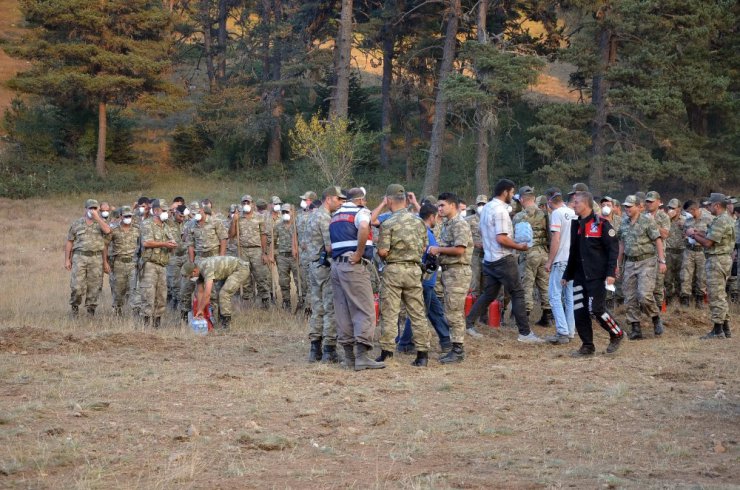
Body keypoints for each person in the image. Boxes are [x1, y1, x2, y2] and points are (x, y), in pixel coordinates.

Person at [465, 179, 546, 348]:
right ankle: (525, 333)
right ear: (505, 192)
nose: (513, 196)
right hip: (503, 258)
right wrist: (519, 246)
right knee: (518, 293)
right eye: (512, 192)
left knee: (488, 294)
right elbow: (501, 238)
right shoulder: (500, 211)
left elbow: (483, 231)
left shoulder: (486, 208)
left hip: (489, 258)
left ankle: (468, 324)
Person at [328, 187, 386, 371]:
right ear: (360, 200)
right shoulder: (361, 212)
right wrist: (360, 253)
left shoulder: (336, 215)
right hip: (353, 266)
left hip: (336, 266)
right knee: (365, 309)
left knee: (342, 310)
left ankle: (348, 357)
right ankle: (362, 356)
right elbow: (363, 226)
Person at [375, 184, 431, 367]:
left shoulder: (388, 223)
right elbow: (424, 247)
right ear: (406, 200)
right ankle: (422, 354)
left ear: (389, 200)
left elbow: (382, 251)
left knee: (391, 312)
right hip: (414, 270)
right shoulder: (419, 221)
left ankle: (387, 353)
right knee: (417, 312)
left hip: (394, 271)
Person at [563, 192, 624, 356]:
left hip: (598, 276)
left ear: (585, 204)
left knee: (596, 309)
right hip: (579, 276)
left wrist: (611, 272)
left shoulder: (602, 224)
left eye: (576, 203)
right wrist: (567, 274)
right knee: (579, 311)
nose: (573, 205)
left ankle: (616, 332)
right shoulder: (576, 224)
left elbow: (613, 249)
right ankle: (587, 346)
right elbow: (573, 252)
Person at [428, 192, 474, 363]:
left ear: (452, 206)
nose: (439, 209)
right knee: (450, 310)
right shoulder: (448, 224)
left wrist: (438, 250)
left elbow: (459, 249)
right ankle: (455, 347)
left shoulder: (459, 224)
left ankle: (457, 349)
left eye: (442, 205)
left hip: (458, 271)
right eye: (438, 206)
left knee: (454, 311)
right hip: (449, 271)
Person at [617, 195, 666, 340]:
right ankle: (635, 328)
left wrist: (662, 261)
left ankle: (655, 317)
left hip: (647, 261)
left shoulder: (647, 221)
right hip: (630, 263)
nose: (627, 209)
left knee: (644, 295)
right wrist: (618, 264)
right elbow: (621, 244)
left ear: (639, 207)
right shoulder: (624, 223)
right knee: (630, 296)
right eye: (625, 206)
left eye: (630, 206)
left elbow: (657, 240)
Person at [686, 193, 735, 339]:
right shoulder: (723, 219)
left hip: (717, 260)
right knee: (720, 294)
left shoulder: (721, 220)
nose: (708, 208)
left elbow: (708, 243)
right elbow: (710, 235)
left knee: (716, 296)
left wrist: (693, 235)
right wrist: (697, 232)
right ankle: (725, 329)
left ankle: (717, 330)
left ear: (717, 205)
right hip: (721, 259)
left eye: (710, 205)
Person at [306, 186, 345, 363]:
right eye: (338, 199)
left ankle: (315, 348)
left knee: (317, 307)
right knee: (330, 308)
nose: (340, 202)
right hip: (325, 266)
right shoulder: (324, 218)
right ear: (329, 198)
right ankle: (329, 349)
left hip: (313, 265)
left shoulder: (312, 215)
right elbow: (329, 246)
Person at [512, 186, 552, 326]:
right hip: (544, 252)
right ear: (534, 198)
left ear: (522, 200)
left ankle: (525, 316)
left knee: (527, 284)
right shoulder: (545, 214)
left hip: (528, 253)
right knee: (544, 284)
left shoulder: (519, 216)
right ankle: (547, 316)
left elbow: (515, 236)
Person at [65, 199, 112, 317]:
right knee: (77, 287)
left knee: (94, 286)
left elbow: (107, 230)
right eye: (90, 208)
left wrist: (98, 218)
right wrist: (67, 259)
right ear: (85, 209)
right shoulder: (77, 223)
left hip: (96, 258)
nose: (93, 211)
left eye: (95, 209)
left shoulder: (101, 223)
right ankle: (74, 307)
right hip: (79, 257)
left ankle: (91, 311)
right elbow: (70, 242)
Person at [183, 256, 251, 329]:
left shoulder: (206, 268)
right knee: (219, 294)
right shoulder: (198, 272)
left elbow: (207, 294)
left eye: (190, 277)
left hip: (240, 269)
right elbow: (200, 292)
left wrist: (201, 310)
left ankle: (226, 325)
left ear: (194, 271)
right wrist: (200, 311)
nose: (191, 279)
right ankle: (221, 321)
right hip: (228, 272)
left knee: (224, 294)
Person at [544, 187, 576, 343]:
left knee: (554, 296)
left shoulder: (556, 214)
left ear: (549, 201)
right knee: (569, 297)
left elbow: (556, 239)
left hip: (561, 260)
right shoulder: (572, 212)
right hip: (573, 260)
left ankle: (562, 332)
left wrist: (550, 260)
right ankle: (570, 331)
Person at [139, 200, 177, 328]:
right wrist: (164, 244)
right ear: (156, 211)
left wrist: (172, 245)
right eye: (164, 210)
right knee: (148, 295)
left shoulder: (166, 226)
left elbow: (171, 244)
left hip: (163, 265)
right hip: (150, 264)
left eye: (167, 210)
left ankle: (156, 325)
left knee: (161, 296)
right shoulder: (147, 224)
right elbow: (146, 243)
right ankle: (145, 325)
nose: (166, 213)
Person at [229, 194, 271, 308]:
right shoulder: (238, 218)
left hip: (257, 250)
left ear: (252, 204)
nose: (246, 205)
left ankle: (265, 301)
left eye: (248, 202)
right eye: (244, 203)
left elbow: (263, 235)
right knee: (245, 278)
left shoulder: (259, 217)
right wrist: (234, 221)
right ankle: (248, 303)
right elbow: (231, 235)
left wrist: (264, 253)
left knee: (261, 276)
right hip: (242, 250)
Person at [105, 206, 140, 316]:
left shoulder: (137, 229)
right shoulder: (114, 230)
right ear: (120, 216)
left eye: (130, 216)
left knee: (135, 291)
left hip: (133, 264)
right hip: (118, 264)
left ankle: (136, 313)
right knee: (118, 291)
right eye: (126, 216)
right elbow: (105, 245)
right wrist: (105, 262)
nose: (128, 218)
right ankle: (117, 312)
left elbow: (142, 245)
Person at [680, 199, 712, 308]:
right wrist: (685, 235)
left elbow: (711, 236)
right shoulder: (688, 221)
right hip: (689, 250)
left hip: (701, 251)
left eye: (688, 211)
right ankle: (685, 300)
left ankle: (699, 300)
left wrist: (696, 234)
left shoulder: (708, 219)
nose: (687, 213)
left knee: (702, 276)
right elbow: (683, 234)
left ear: (694, 209)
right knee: (685, 276)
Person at [465, 194, 488, 332]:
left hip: (488, 256)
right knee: (474, 285)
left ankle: (484, 315)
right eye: (480, 204)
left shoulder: (491, 219)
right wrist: (475, 244)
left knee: (487, 285)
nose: (482, 207)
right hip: (474, 255)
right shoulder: (468, 220)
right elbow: (464, 239)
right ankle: (471, 315)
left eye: (484, 204)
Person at [644, 191, 671, 308]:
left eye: (651, 201)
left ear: (659, 202)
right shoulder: (642, 215)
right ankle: (646, 310)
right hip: (644, 254)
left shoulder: (663, 216)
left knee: (658, 284)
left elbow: (665, 234)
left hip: (658, 255)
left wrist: (652, 222)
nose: (649, 204)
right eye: (647, 201)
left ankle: (659, 310)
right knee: (645, 284)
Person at [275, 204, 300, 310]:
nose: (285, 214)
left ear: (292, 212)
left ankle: (301, 300)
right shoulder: (278, 225)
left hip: (295, 257)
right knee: (283, 281)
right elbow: (273, 241)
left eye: (287, 212)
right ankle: (286, 302)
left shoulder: (297, 224)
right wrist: (273, 254)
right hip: (282, 257)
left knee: (298, 280)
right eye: (283, 212)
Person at [296, 191, 317, 312]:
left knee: (312, 281)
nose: (303, 202)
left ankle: (310, 308)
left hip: (313, 253)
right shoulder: (299, 215)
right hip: (303, 254)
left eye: (306, 199)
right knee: (304, 280)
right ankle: (305, 303)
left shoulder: (317, 214)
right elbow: (296, 233)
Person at [166, 204, 188, 310]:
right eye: (180, 216)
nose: (182, 218)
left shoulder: (187, 223)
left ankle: (183, 304)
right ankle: (175, 303)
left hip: (185, 256)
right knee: (174, 283)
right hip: (173, 256)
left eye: (184, 216)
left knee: (187, 282)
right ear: (175, 213)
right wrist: (171, 211)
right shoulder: (168, 222)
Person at [663, 198, 685, 306]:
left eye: (673, 208)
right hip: (668, 252)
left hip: (681, 252)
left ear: (679, 209)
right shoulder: (665, 219)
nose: (671, 210)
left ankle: (680, 299)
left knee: (680, 277)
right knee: (667, 277)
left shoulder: (685, 220)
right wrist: (667, 218)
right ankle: (668, 299)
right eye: (669, 208)